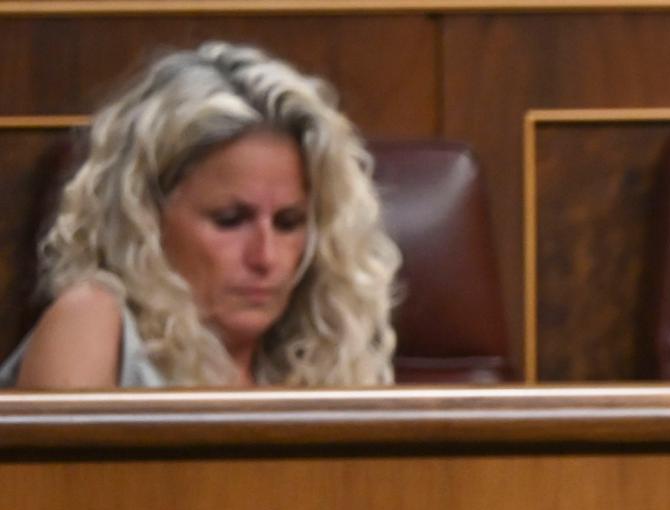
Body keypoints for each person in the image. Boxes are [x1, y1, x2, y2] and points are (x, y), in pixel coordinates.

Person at [1, 41, 399, 389]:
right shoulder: (91, 321)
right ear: (145, 215)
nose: (266, 258)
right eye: (230, 220)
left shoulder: (320, 364)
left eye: (288, 223)